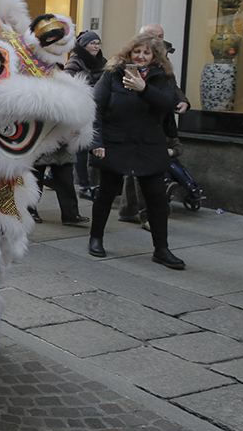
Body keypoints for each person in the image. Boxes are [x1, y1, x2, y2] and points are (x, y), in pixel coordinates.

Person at [88, 33, 185, 270]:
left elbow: (169, 102)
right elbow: (95, 108)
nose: (141, 56)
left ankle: (161, 249)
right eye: (137, 52)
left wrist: (144, 89)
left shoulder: (163, 76)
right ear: (129, 54)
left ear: (154, 57)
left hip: (149, 144)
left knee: (156, 198)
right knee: (106, 193)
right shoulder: (113, 74)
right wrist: (96, 142)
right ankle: (96, 238)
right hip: (115, 142)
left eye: (146, 53)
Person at [64, 30, 106, 199]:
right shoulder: (75, 61)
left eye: (98, 43)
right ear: (84, 45)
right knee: (81, 148)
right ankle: (84, 185)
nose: (96, 46)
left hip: (99, 110)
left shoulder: (103, 62)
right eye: (93, 43)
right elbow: (67, 83)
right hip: (82, 110)